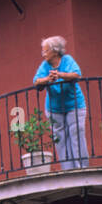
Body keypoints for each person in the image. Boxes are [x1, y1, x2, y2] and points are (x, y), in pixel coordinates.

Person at [32, 35, 89, 171]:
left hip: (74, 105)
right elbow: (36, 82)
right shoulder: (45, 66)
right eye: (43, 51)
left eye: (45, 51)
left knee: (76, 134)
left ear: (55, 51)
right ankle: (68, 169)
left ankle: (81, 167)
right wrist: (47, 79)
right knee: (60, 139)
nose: (43, 54)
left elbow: (76, 75)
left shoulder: (67, 60)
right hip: (54, 108)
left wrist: (60, 75)